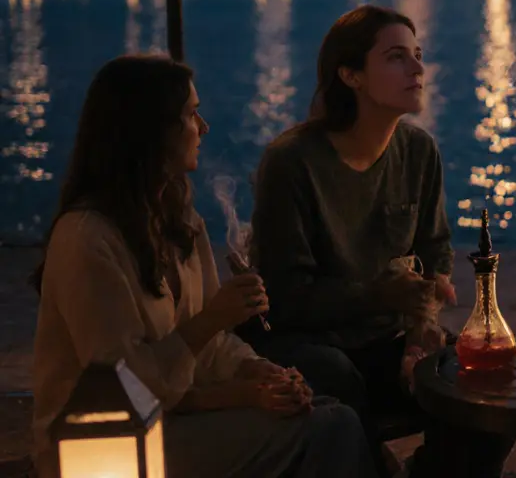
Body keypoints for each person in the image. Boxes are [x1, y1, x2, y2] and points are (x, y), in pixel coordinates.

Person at [30, 55, 377, 478]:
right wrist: (236, 377)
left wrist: (261, 372)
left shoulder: (176, 218)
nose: (204, 127)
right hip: (105, 444)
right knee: (329, 430)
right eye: (192, 114)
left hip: (172, 419)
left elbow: (214, 344)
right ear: (151, 130)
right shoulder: (87, 240)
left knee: (326, 409)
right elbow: (126, 386)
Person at [249, 5, 512, 478]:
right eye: (396, 57)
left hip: (387, 339)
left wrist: (422, 329)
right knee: (335, 377)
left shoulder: (418, 151)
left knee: (485, 375)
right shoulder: (291, 163)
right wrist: (379, 295)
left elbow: (435, 250)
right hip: (306, 346)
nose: (417, 69)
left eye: (417, 55)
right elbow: (283, 300)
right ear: (350, 75)